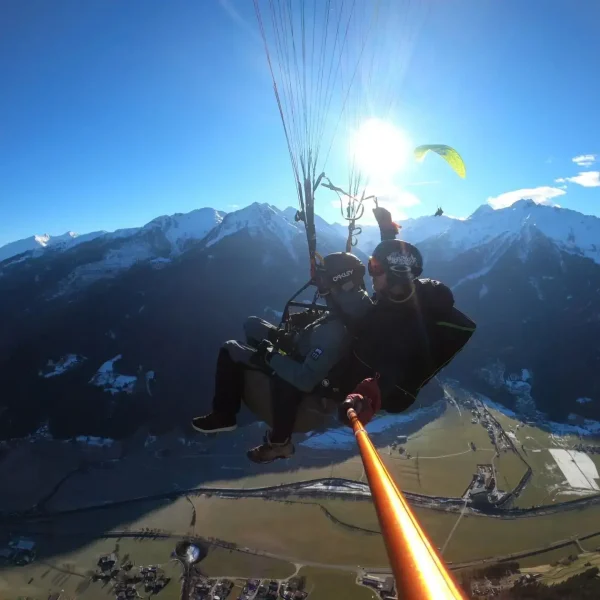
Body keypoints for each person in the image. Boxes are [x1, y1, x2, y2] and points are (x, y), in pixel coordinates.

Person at [191, 252, 372, 464]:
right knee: (252, 324)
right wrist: (307, 322)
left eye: (323, 278)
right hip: (304, 347)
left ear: (340, 282)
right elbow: (333, 320)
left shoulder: (334, 331)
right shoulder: (355, 303)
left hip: (302, 371)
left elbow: (305, 379)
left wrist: (270, 356)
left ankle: (225, 415)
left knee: (230, 349)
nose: (318, 283)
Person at [338, 207, 476, 421]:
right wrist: (388, 233)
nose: (371, 273)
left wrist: (365, 398)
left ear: (395, 277)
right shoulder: (400, 296)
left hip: (380, 389)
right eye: (371, 265)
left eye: (375, 268)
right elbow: (396, 264)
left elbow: (392, 365)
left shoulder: (405, 323)